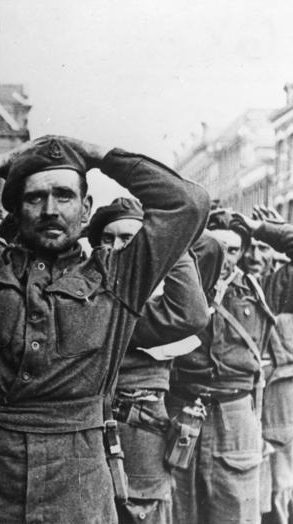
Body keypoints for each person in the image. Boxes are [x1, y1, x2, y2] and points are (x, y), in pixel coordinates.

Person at [0, 135, 209, 523]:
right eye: (34, 198)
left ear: (85, 207)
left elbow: (189, 203)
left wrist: (99, 154)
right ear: (15, 210)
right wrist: (3, 161)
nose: (49, 210)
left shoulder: (119, 276)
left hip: (76, 477)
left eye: (63, 195)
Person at [88, 197, 216, 524]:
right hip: (83, 428)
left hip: (138, 429)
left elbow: (192, 311)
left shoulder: (158, 303)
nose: (116, 247)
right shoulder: (81, 292)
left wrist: (167, 240)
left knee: (141, 514)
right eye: (107, 238)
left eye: (128, 239)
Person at [169, 208, 278, 524]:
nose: (223, 258)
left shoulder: (263, 290)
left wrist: (263, 229)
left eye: (232, 250)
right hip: (180, 410)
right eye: (213, 247)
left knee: (235, 513)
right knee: (178, 512)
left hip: (234, 414)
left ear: (244, 251)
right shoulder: (177, 290)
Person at [233, 206, 293, 524]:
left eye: (262, 248)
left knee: (279, 496)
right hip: (236, 412)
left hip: (276, 414)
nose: (254, 255)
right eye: (249, 247)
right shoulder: (224, 287)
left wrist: (268, 229)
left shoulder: (280, 287)